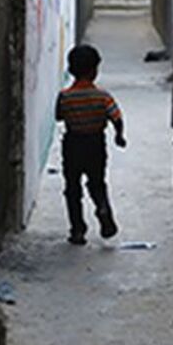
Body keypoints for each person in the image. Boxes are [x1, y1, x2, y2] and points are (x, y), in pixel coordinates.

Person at [55, 44, 126, 245]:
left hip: (73, 144)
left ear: (70, 70)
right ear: (94, 71)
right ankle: (103, 211)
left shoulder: (65, 96)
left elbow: (59, 117)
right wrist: (119, 136)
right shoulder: (102, 96)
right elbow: (116, 118)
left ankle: (77, 229)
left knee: (72, 188)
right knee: (97, 183)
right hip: (96, 144)